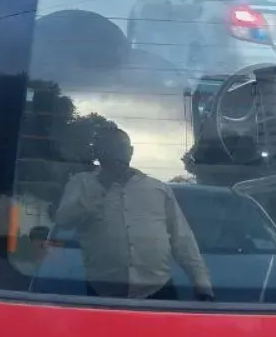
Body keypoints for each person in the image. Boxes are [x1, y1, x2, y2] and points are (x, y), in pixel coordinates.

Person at [55, 124, 214, 301]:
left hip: (158, 290)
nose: (115, 154)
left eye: (120, 149)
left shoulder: (157, 189)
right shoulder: (81, 184)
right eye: (109, 149)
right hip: (102, 292)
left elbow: (182, 239)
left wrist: (202, 285)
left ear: (130, 152)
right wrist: (102, 185)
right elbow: (64, 221)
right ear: (99, 153)